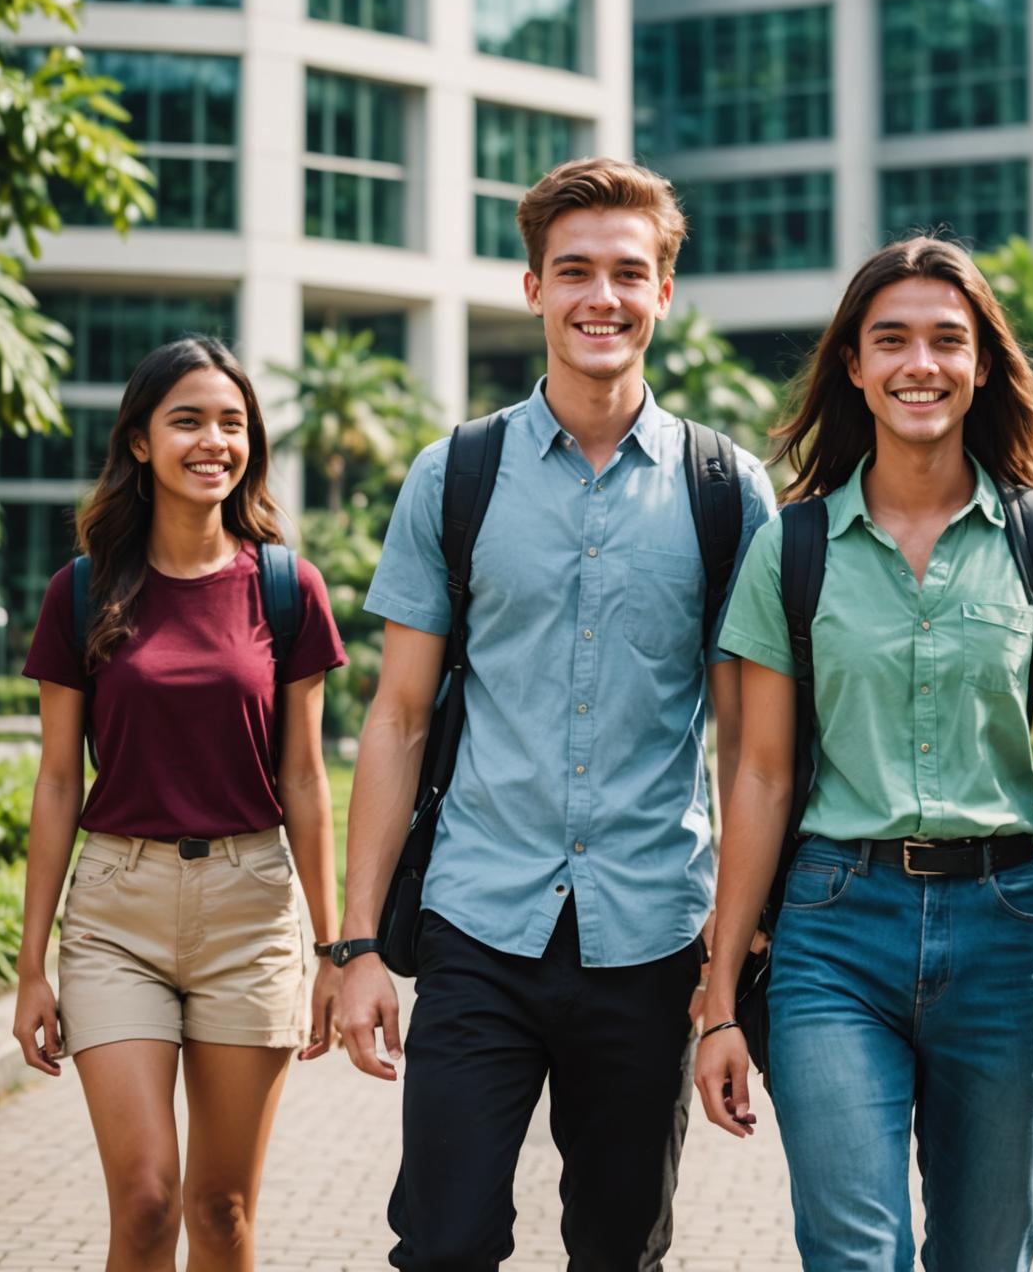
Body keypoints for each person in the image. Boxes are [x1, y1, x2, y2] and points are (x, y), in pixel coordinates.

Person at [337, 157, 776, 1271]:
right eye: (573, 269)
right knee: (443, 1244)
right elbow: (394, 718)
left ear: (665, 294)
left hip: (649, 934)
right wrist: (354, 947)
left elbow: (750, 749)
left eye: (630, 272)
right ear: (531, 286)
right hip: (479, 921)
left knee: (621, 1250)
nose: (603, 297)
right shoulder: (457, 474)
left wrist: (726, 966)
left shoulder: (725, 492)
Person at [696, 237, 1033, 1272]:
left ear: (983, 364)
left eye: (948, 339)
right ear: (853, 363)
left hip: (1000, 935)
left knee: (988, 1255)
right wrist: (718, 1001)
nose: (919, 364)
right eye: (890, 340)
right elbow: (756, 774)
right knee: (856, 1253)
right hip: (833, 936)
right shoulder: (792, 547)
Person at [12, 336, 347, 1271]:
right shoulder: (80, 593)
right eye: (188, 420)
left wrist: (334, 951)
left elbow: (307, 781)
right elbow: (53, 782)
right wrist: (30, 964)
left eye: (233, 423)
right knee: (149, 1200)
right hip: (117, 911)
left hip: (251, 913)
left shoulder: (287, 588)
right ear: (140, 444)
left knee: (222, 1208)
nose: (214, 441)